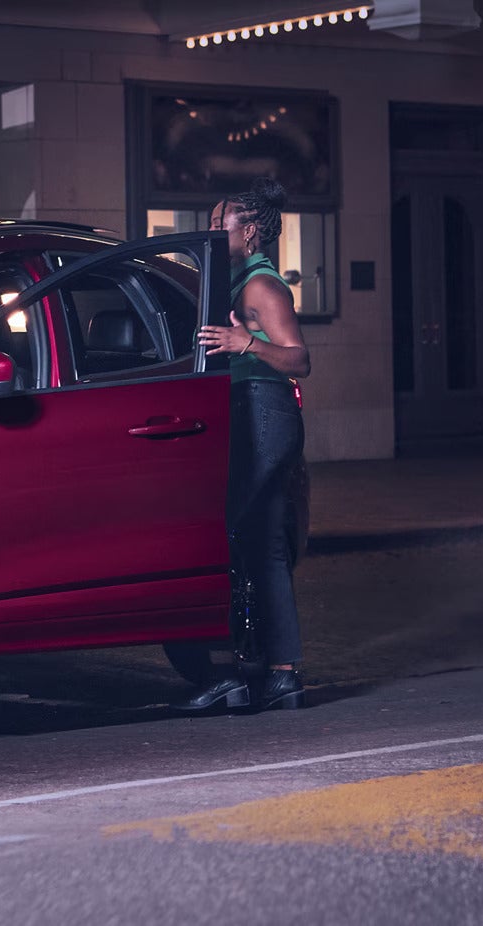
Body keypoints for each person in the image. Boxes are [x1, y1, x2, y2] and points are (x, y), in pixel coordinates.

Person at [176, 178, 314, 714]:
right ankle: (283, 676)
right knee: (263, 546)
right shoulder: (233, 281)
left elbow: (299, 359)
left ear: (250, 231)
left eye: (220, 223)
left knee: (220, 533)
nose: (212, 230)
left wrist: (246, 342)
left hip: (264, 414)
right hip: (252, 412)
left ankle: (223, 672)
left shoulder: (262, 287)